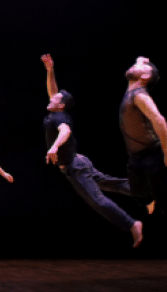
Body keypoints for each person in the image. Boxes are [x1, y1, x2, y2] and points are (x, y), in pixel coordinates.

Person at [40, 54, 148, 247]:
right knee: (111, 184)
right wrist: (50, 71)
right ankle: (148, 194)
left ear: (61, 105)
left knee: (97, 200)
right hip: (79, 161)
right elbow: (53, 91)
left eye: (55, 98)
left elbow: (66, 131)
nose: (51, 97)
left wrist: (54, 147)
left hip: (75, 165)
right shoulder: (56, 112)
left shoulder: (59, 118)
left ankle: (133, 224)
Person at [119, 56, 167, 272]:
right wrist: (142, 60)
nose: (134, 65)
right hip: (135, 157)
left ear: (145, 77)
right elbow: (140, 63)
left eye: (139, 66)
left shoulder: (140, 95)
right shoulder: (133, 87)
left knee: (165, 204)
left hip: (151, 154)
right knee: (139, 195)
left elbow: (159, 119)